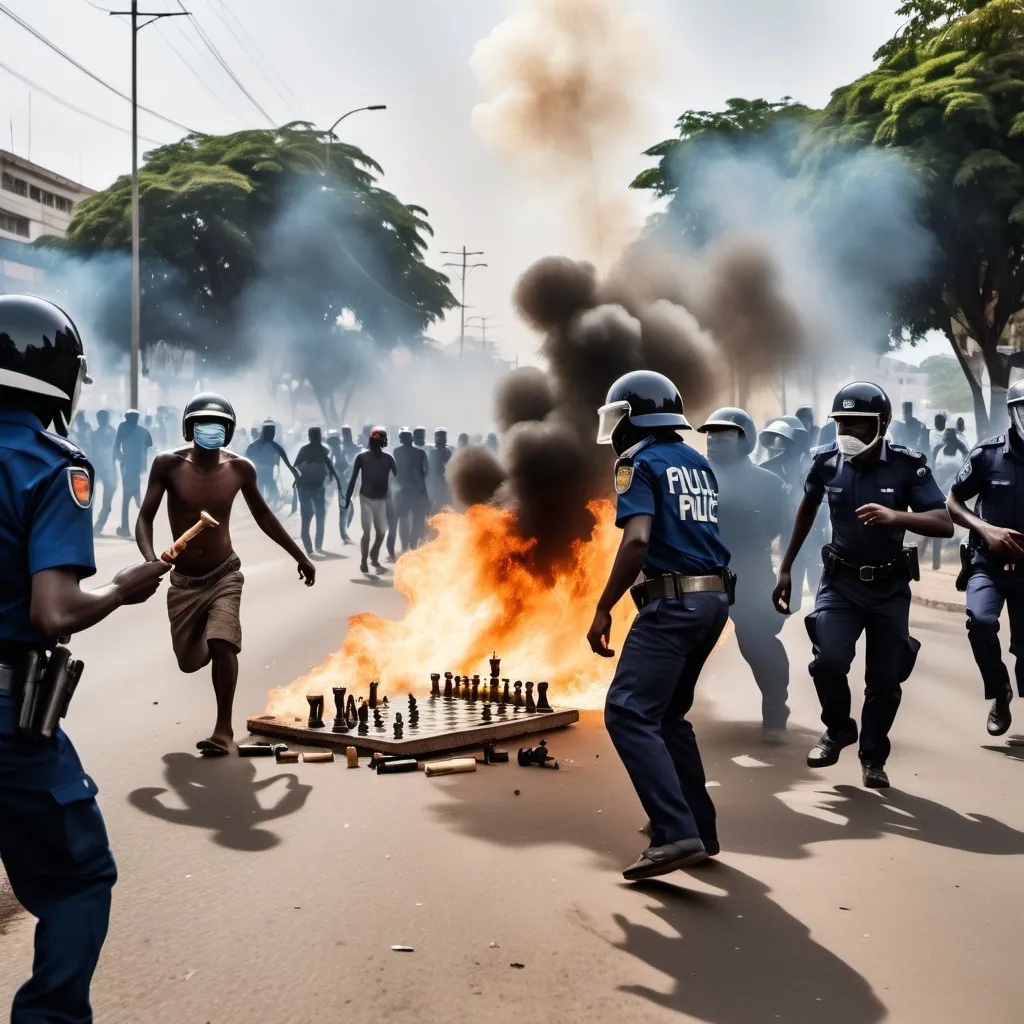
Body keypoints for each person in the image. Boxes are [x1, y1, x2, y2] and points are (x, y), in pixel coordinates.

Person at [0, 294, 170, 1024]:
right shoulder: (48, 463)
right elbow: (55, 611)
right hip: (9, 719)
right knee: (78, 880)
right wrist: (122, 588)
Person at [586, 370, 732, 881]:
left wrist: (604, 607)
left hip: (671, 606)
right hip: (712, 601)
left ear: (631, 417)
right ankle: (701, 829)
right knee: (669, 716)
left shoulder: (637, 463)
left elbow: (638, 541)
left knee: (627, 712)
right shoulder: (697, 462)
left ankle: (675, 832)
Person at [773, 382, 953, 789]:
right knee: (828, 662)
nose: (847, 432)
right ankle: (838, 728)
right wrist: (785, 569)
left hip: (890, 587)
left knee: (885, 681)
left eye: (858, 424)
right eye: (842, 423)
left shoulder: (908, 466)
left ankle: (873, 757)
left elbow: (943, 523)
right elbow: (805, 510)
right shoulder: (826, 463)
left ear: (881, 425)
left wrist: (896, 517)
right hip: (840, 583)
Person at [136, 393, 316, 755]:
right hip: (184, 582)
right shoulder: (167, 465)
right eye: (203, 424)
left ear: (230, 430)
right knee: (189, 661)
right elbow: (144, 517)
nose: (210, 431)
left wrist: (300, 555)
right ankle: (212, 640)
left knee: (222, 641)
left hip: (225, 574)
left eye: (218, 425)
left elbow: (265, 516)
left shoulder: (239, 469)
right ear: (189, 428)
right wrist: (149, 559)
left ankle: (223, 729)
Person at [699, 408, 791, 742]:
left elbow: (785, 529)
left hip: (750, 574)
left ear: (746, 440)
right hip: (701, 572)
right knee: (683, 645)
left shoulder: (769, 484)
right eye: (710, 434)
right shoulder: (692, 474)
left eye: (724, 435)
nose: (714, 441)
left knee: (759, 644)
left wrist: (786, 576)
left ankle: (775, 715)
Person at [946, 382, 1024, 737]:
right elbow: (953, 501)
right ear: (1012, 413)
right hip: (986, 565)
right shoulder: (987, 455)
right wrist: (986, 530)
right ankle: (999, 691)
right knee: (979, 621)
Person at [761, 417, 823, 612]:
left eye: (785, 440)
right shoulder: (769, 469)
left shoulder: (815, 465)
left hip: (818, 534)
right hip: (789, 533)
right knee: (791, 586)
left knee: (819, 583)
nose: (780, 446)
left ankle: (822, 614)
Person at [343, 427, 397, 575]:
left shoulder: (388, 459)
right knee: (368, 532)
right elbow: (353, 479)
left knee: (381, 532)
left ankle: (372, 556)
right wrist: (347, 498)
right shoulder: (363, 458)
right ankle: (364, 561)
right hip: (366, 498)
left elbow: (397, 479)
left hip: (380, 499)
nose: (374, 443)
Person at [294, 426, 341, 557]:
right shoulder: (323, 450)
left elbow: (296, 466)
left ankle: (311, 549)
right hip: (317, 488)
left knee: (307, 518)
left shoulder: (305, 450)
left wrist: (300, 476)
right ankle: (316, 547)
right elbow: (331, 469)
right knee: (319, 517)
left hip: (306, 487)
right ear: (319, 436)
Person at [929, 427, 970, 569]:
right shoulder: (938, 449)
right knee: (937, 523)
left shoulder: (962, 449)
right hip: (943, 489)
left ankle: (963, 559)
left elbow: (967, 468)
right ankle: (936, 561)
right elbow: (933, 469)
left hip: (955, 489)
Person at [113, 408, 152, 538]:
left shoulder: (124, 428)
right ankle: (137, 527)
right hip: (134, 468)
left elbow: (117, 446)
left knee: (129, 499)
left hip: (130, 468)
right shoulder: (143, 432)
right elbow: (145, 451)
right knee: (135, 498)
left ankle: (127, 528)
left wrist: (118, 459)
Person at [245, 419, 297, 509]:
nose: (272, 434)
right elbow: (246, 461)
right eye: (270, 431)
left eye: (273, 432)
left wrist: (295, 474)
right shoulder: (271, 446)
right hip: (262, 475)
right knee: (266, 490)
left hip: (264, 475)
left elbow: (287, 462)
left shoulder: (255, 446)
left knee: (268, 490)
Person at [393, 427, 430, 552]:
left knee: (404, 519)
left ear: (400, 439)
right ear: (412, 438)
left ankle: (404, 545)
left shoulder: (396, 452)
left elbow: (395, 472)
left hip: (402, 490)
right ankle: (413, 544)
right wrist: (423, 491)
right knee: (417, 519)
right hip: (417, 491)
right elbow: (424, 473)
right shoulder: (420, 454)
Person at [90, 409, 118, 536]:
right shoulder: (96, 434)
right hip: (99, 467)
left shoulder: (112, 433)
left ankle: (98, 526)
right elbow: (93, 452)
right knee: (91, 497)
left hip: (107, 467)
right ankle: (94, 526)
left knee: (106, 498)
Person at [427, 427, 453, 513]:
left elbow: (449, 465)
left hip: (439, 481)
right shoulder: (432, 451)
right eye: (438, 435)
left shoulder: (447, 451)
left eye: (442, 436)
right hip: (434, 481)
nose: (440, 438)